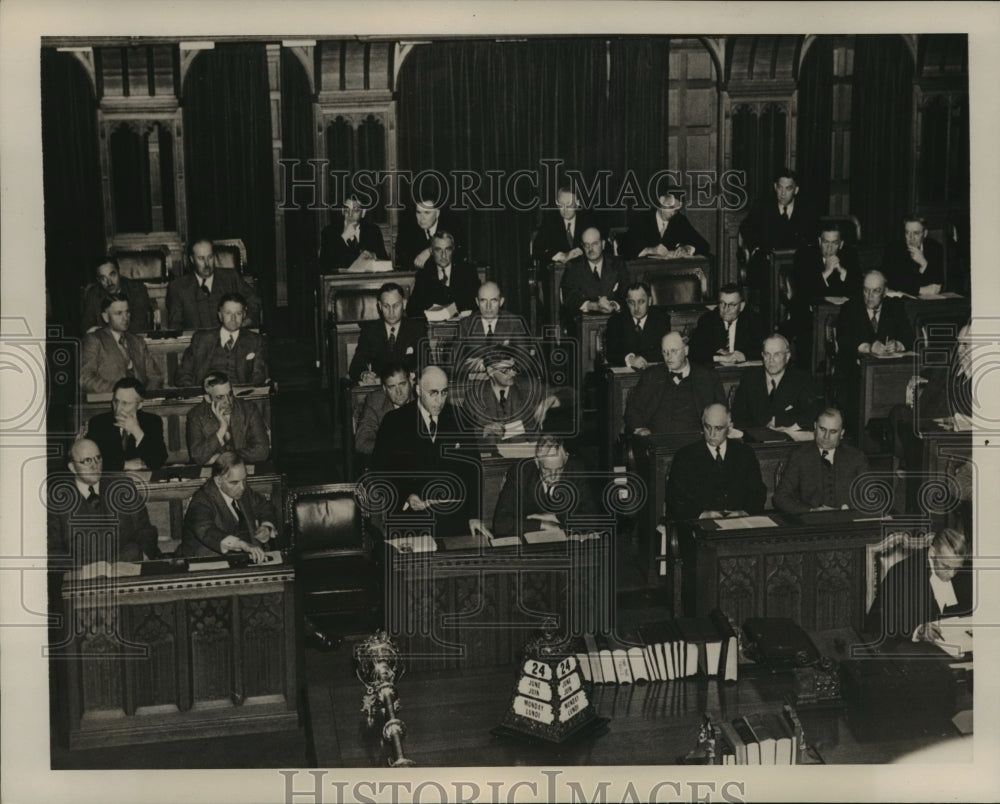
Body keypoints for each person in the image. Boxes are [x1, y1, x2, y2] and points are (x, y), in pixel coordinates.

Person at [371, 365, 479, 534]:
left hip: (455, 516)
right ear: (419, 390)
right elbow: (380, 470)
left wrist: (474, 515)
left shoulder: (460, 419)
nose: (440, 400)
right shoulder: (394, 422)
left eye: (444, 392)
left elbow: (474, 470)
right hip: (412, 516)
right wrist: (406, 494)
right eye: (433, 393)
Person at [47, 438, 160, 562]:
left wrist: (144, 555)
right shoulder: (56, 499)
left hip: (125, 569)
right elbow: (52, 550)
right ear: (72, 467)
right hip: (81, 574)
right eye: (87, 460)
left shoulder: (123, 488)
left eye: (98, 458)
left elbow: (145, 530)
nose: (95, 466)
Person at [834, 270, 915, 429]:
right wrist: (868, 347)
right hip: (856, 371)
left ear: (885, 291)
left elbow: (909, 337)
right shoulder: (850, 308)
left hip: (889, 372)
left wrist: (897, 344)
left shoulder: (895, 307)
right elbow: (844, 341)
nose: (870, 295)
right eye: (866, 290)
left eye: (876, 291)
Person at [864, 528, 972, 643]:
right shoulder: (900, 574)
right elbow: (876, 624)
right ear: (932, 553)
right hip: (916, 650)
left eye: (957, 568)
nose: (952, 574)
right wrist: (917, 631)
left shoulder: (967, 571)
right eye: (946, 566)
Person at [664, 404, 766, 522]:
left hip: (738, 523)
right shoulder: (685, 456)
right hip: (698, 524)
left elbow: (758, 492)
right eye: (707, 427)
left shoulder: (745, 453)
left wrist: (744, 512)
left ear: (729, 427)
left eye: (718, 428)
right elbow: (675, 499)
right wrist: (701, 514)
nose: (712, 434)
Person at [492, 435, 601, 539]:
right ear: (537, 462)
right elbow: (501, 524)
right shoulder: (521, 472)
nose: (553, 476)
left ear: (566, 459)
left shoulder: (576, 469)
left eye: (559, 469)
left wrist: (556, 517)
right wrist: (543, 524)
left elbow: (592, 519)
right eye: (547, 470)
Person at [179, 451, 280, 564]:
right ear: (218, 481)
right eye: (234, 482)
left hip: (241, 560)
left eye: (244, 480)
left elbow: (264, 506)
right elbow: (207, 531)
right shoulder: (201, 502)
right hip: (206, 563)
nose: (242, 487)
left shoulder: (242, 490)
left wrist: (266, 526)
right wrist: (243, 545)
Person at [625, 331, 725, 436]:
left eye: (673, 351)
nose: (668, 356)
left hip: (696, 442)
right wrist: (640, 428)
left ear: (686, 350)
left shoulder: (707, 376)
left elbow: (721, 412)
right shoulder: (652, 375)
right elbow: (632, 410)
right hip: (657, 441)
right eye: (665, 352)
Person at [773, 408, 870, 514]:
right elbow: (780, 497)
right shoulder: (800, 456)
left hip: (847, 523)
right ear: (815, 427)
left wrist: (847, 510)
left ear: (841, 433)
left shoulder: (856, 457)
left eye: (833, 431)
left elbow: (869, 497)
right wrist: (810, 511)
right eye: (822, 429)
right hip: (812, 523)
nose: (826, 437)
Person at [462, 347, 561, 439]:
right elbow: (464, 433)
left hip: (527, 452)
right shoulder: (472, 396)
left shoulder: (529, 386)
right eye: (506, 370)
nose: (513, 373)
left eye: (513, 367)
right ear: (490, 370)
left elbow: (570, 393)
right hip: (490, 455)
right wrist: (484, 430)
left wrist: (549, 401)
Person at [175, 293, 269, 387]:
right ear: (220, 315)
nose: (233, 318)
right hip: (207, 395)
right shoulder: (201, 339)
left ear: (244, 315)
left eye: (238, 313)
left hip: (239, 396)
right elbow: (184, 373)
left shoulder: (255, 341)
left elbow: (259, 375)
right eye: (228, 313)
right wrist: (194, 395)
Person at [167, 238, 262, 330]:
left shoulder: (231, 278)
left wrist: (246, 321)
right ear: (192, 259)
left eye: (210, 257)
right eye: (201, 258)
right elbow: (175, 327)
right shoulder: (178, 287)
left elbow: (254, 301)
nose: (206, 264)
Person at [731, 334, 817, 432]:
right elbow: (738, 416)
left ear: (787, 356)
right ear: (762, 355)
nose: (771, 360)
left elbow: (810, 416)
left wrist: (778, 422)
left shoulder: (802, 380)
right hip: (755, 440)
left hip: (788, 442)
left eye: (777, 354)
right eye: (767, 354)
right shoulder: (749, 378)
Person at [80, 295, 163, 394]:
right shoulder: (94, 340)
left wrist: (142, 396)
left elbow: (155, 377)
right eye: (119, 313)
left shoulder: (138, 342)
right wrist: (120, 392)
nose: (125, 318)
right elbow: (85, 379)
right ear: (105, 317)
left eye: (127, 312)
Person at [186, 372, 270, 466]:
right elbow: (197, 457)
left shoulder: (249, 409)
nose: (228, 402)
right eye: (220, 397)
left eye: (230, 394)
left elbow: (263, 451)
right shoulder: (196, 416)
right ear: (208, 398)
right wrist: (221, 430)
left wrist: (221, 458)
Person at [349, 282, 426, 384]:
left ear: (404, 303)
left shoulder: (417, 329)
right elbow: (356, 365)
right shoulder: (370, 331)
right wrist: (364, 374)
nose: (391, 311)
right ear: (380, 306)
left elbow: (427, 363)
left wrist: (415, 376)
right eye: (386, 306)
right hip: (380, 390)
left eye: (396, 305)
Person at [84, 377, 167, 472]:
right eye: (116, 401)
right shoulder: (99, 422)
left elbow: (159, 460)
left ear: (139, 405)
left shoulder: (152, 421)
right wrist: (125, 465)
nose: (118, 408)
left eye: (125, 403)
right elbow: (92, 461)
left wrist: (137, 432)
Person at [559, 227, 630, 322]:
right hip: (583, 323)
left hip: (615, 320)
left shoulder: (617, 264)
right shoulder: (573, 266)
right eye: (586, 245)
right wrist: (594, 306)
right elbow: (569, 298)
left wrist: (613, 305)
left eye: (594, 244)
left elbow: (626, 291)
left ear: (603, 244)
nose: (590, 249)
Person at [688, 283, 765, 367]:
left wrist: (744, 355)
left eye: (732, 305)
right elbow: (693, 351)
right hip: (715, 373)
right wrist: (721, 358)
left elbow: (762, 350)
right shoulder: (707, 320)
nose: (726, 309)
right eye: (722, 303)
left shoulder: (753, 321)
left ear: (742, 306)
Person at [405, 231, 480, 318]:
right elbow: (412, 309)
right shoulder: (424, 274)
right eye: (438, 250)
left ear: (453, 249)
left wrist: (453, 309)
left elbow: (475, 303)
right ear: (431, 251)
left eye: (447, 249)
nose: (443, 255)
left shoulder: (467, 271)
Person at [624, 190, 711, 260]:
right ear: (662, 202)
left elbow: (704, 246)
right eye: (671, 207)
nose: (673, 213)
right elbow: (625, 248)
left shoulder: (679, 220)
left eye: (676, 210)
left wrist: (687, 249)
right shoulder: (642, 219)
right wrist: (650, 250)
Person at [604, 282, 672, 369]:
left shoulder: (661, 320)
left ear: (650, 301)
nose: (636, 308)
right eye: (631, 303)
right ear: (626, 303)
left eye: (641, 302)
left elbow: (663, 351)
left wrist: (641, 359)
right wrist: (630, 359)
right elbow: (611, 354)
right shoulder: (616, 321)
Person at [354, 363, 415, 457]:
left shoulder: (423, 398)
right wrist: (397, 449)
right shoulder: (375, 402)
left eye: (402, 384)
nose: (399, 392)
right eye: (392, 387)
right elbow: (362, 443)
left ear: (410, 382)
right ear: (384, 389)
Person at [80, 256, 152, 334]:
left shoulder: (137, 290)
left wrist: (104, 331)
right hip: (104, 344)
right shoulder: (94, 293)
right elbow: (87, 326)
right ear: (98, 280)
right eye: (103, 278)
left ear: (119, 272)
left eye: (112, 275)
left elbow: (137, 326)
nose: (109, 282)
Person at [791, 223, 861, 302]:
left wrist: (842, 272)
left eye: (834, 243)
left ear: (841, 244)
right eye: (826, 242)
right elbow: (804, 292)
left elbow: (857, 290)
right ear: (820, 241)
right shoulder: (804, 256)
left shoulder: (850, 256)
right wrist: (826, 272)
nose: (829, 248)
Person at [318, 196, 388, 272]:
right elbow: (324, 264)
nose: (350, 215)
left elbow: (385, 261)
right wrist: (343, 238)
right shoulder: (329, 231)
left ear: (363, 213)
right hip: (339, 281)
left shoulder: (373, 231)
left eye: (355, 210)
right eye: (347, 210)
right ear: (342, 211)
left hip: (366, 280)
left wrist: (374, 256)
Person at [882, 214, 945, 297]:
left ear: (925, 233)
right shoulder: (893, 250)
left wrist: (924, 264)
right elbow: (893, 282)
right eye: (907, 232)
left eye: (916, 233)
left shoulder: (936, 249)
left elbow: (939, 283)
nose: (911, 238)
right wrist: (920, 290)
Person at [394, 197, 464, 270]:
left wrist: (431, 250)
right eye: (418, 212)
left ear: (437, 213)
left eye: (427, 212)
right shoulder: (407, 226)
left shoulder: (452, 225)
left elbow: (458, 252)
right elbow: (403, 256)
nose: (422, 218)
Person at [532, 186, 594, 266]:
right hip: (558, 272)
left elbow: (601, 247)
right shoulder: (549, 221)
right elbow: (537, 251)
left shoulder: (588, 220)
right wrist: (560, 256)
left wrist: (584, 250)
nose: (565, 209)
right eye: (561, 205)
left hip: (584, 271)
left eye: (569, 205)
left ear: (577, 203)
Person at [458, 281, 531, 340]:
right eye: (483, 300)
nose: (488, 306)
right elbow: (454, 357)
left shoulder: (515, 323)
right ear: (477, 302)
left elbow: (523, 356)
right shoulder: (465, 325)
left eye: (493, 301)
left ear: (501, 302)